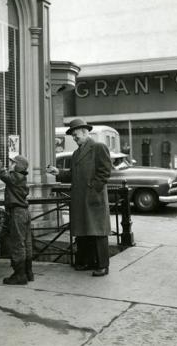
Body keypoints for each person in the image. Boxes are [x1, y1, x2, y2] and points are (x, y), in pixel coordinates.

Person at [47, 118, 112, 277]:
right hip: (80, 199)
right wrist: (59, 173)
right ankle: (87, 262)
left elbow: (105, 172)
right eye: (73, 136)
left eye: (76, 135)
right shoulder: (76, 153)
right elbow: (72, 175)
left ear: (85, 132)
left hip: (93, 199)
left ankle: (102, 265)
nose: (74, 138)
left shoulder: (98, 148)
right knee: (84, 232)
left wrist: (93, 189)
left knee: (97, 233)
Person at [0, 146, 33, 285]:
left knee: (17, 244)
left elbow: (2, 174)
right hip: (24, 213)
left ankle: (19, 275)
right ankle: (27, 272)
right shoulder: (22, 178)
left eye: (13, 163)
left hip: (17, 213)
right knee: (26, 243)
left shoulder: (15, 177)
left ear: (18, 166)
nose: (11, 165)